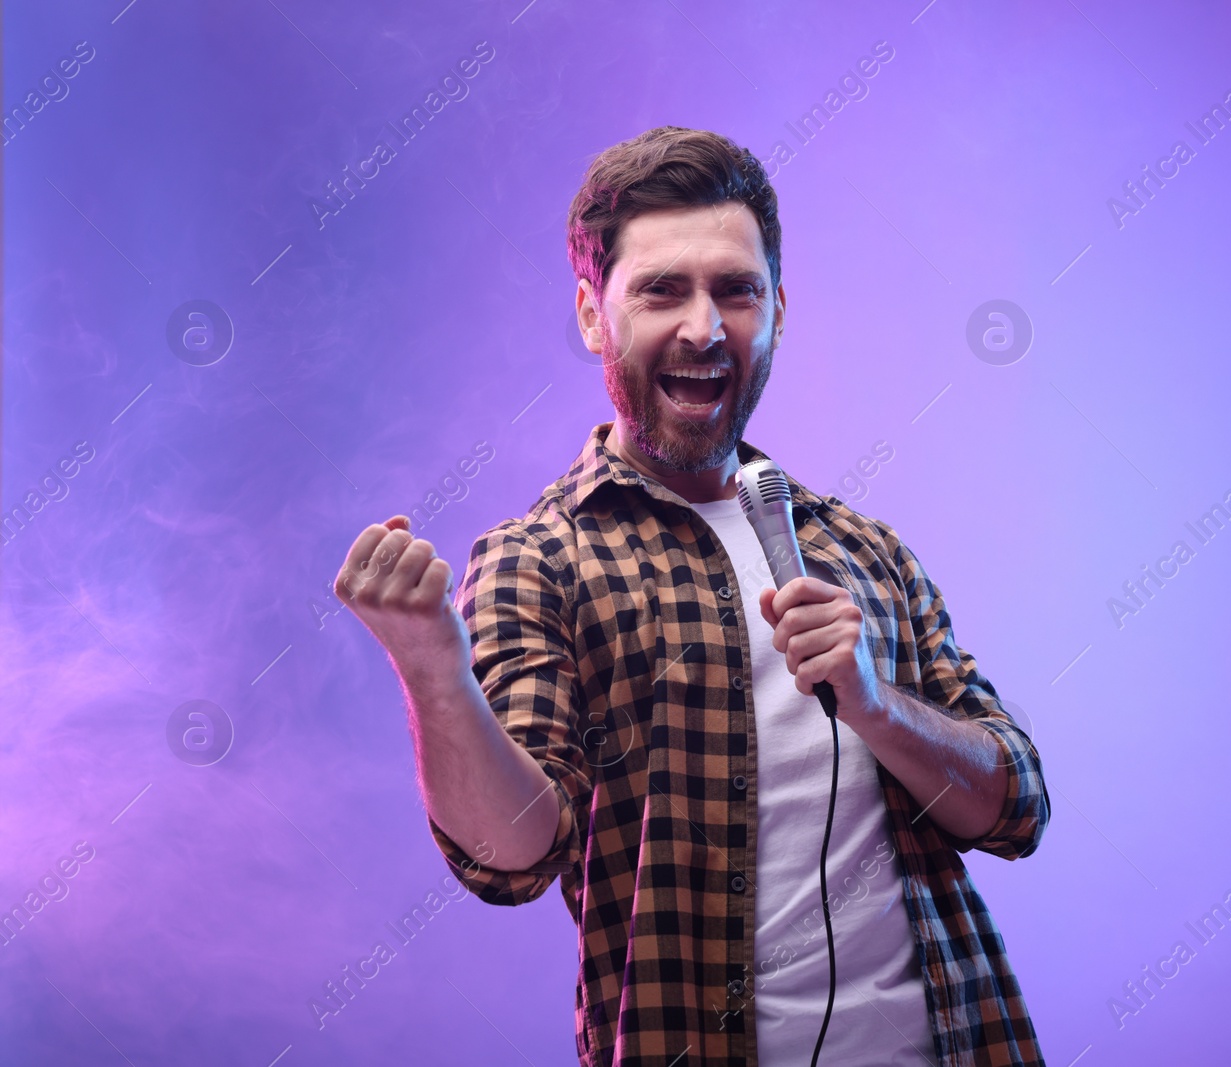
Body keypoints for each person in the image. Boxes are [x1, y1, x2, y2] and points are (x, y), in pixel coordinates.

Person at [336, 126, 1050, 1066]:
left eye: (736, 290)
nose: (705, 327)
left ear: (779, 310)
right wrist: (433, 672)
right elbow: (510, 858)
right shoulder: (538, 559)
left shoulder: (865, 551)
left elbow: (1014, 806)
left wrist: (879, 709)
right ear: (594, 316)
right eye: (662, 290)